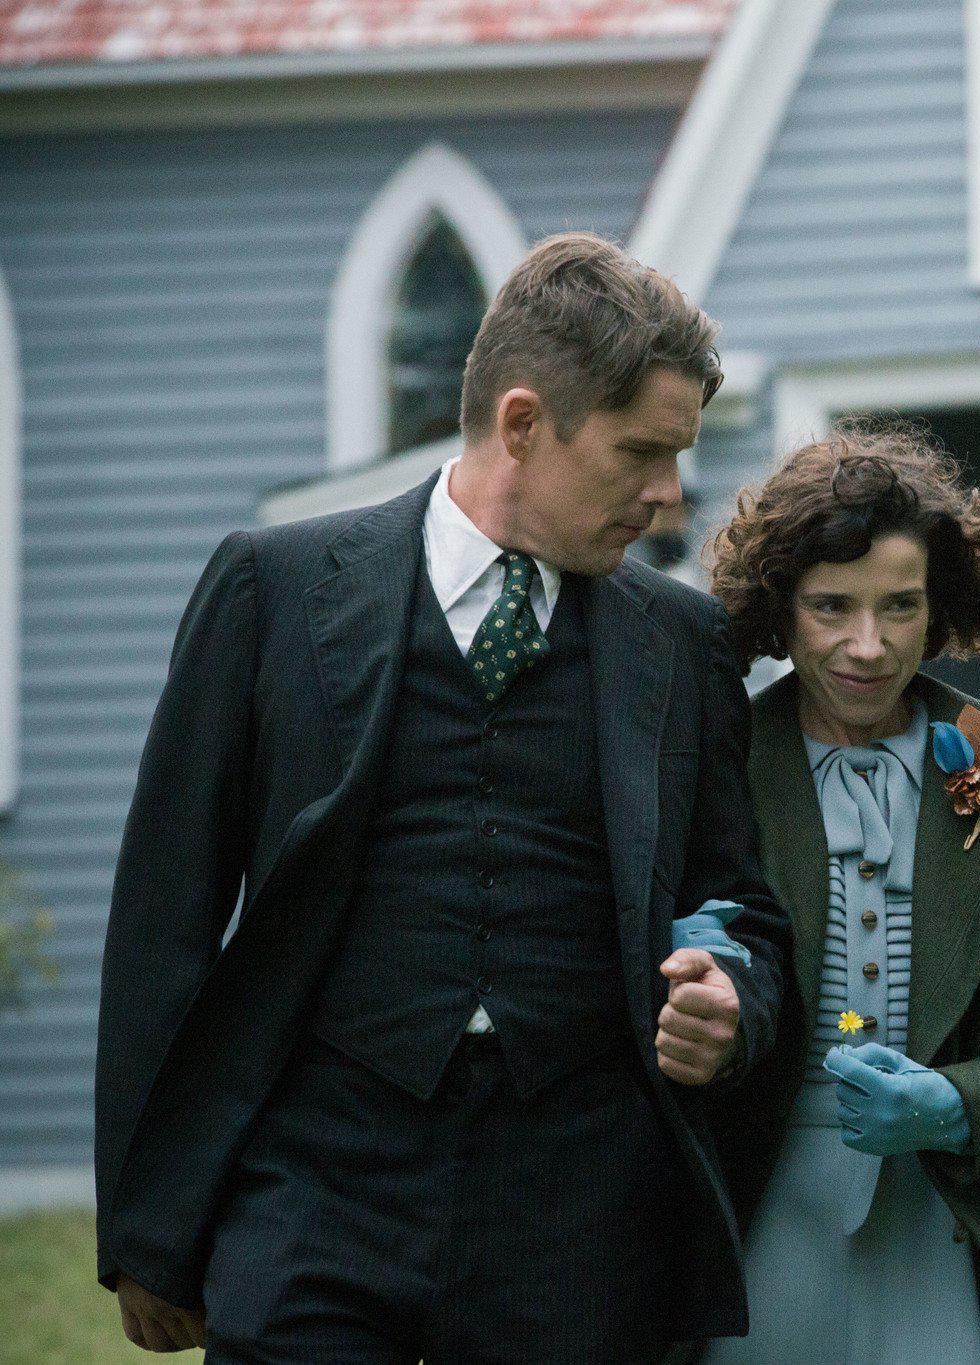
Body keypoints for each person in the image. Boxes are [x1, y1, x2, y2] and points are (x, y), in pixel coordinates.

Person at [94, 232, 792, 1360]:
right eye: (639, 454)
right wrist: (146, 1221)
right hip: (316, 1182)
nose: (668, 499)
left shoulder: (683, 642)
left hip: (579, 1203)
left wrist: (735, 1000)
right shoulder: (271, 592)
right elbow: (162, 918)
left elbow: (739, 908)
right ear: (522, 424)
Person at [700, 428, 980, 1364]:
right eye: (830, 606)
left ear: (941, 610)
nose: (867, 643)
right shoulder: (712, 760)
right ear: (779, 609)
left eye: (900, 606)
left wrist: (961, 1102)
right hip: (759, 1213)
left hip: (943, 1215)